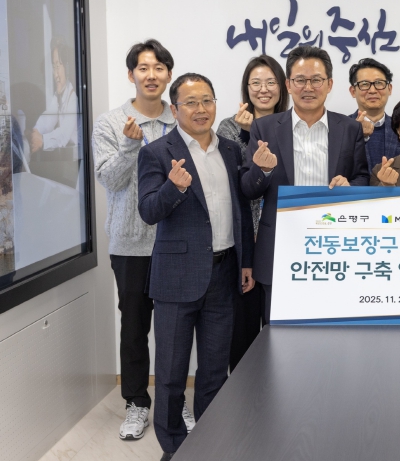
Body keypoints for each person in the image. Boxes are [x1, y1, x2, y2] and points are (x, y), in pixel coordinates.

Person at [137, 73, 255, 460]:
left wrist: (246, 262)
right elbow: (148, 211)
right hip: (176, 279)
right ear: (174, 110)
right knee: (171, 375)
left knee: (214, 372)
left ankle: (209, 444)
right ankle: (173, 449)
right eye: (191, 102)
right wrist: (173, 187)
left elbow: (241, 210)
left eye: (207, 100)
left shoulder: (231, 150)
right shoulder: (157, 152)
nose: (200, 109)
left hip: (224, 273)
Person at [92, 39, 196, 440]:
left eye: (158, 68)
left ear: (169, 74)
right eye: (143, 68)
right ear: (130, 74)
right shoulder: (111, 122)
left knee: (176, 329)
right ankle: (137, 403)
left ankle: (174, 399)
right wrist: (129, 147)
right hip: (130, 244)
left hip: (176, 241)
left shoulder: (182, 116)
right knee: (134, 326)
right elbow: (110, 181)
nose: (151, 75)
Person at [240, 45, 368, 324]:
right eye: (300, 80)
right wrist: (263, 170)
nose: (308, 87)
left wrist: (350, 185)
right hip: (280, 247)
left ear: (329, 84)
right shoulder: (264, 128)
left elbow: (362, 177)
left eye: (316, 80)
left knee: (332, 330)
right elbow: (248, 189)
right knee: (278, 333)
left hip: (334, 246)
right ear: (288, 84)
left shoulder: (349, 129)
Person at [216, 54, 288, 372]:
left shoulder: (291, 125)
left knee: (278, 332)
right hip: (243, 241)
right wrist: (248, 136)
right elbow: (236, 180)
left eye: (270, 82)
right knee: (242, 330)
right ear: (246, 88)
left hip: (280, 241)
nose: (263, 89)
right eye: (255, 83)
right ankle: (242, 395)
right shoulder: (229, 126)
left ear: (282, 87)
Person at [347, 58, 400, 174]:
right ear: (353, 91)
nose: (372, 90)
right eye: (364, 84)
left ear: (389, 89)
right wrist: (357, 135)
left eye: (379, 83)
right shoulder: (341, 128)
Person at [31, 36, 79, 152]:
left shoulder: (74, 96)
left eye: (58, 66)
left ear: (67, 68)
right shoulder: (59, 95)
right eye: (54, 67)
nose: (55, 74)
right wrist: (35, 132)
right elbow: (48, 119)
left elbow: (64, 134)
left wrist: (42, 140)